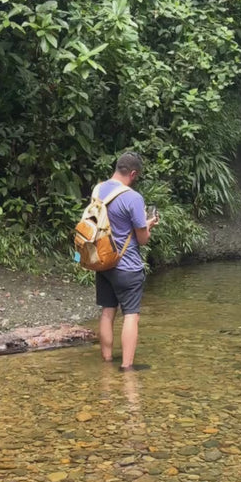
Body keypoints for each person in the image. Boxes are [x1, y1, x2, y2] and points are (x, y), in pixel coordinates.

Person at [94, 152, 159, 371]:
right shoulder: (133, 197)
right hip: (127, 266)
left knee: (107, 311)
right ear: (132, 173)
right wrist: (148, 226)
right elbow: (141, 239)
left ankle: (106, 361)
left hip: (103, 262)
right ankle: (127, 368)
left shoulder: (98, 190)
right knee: (131, 315)